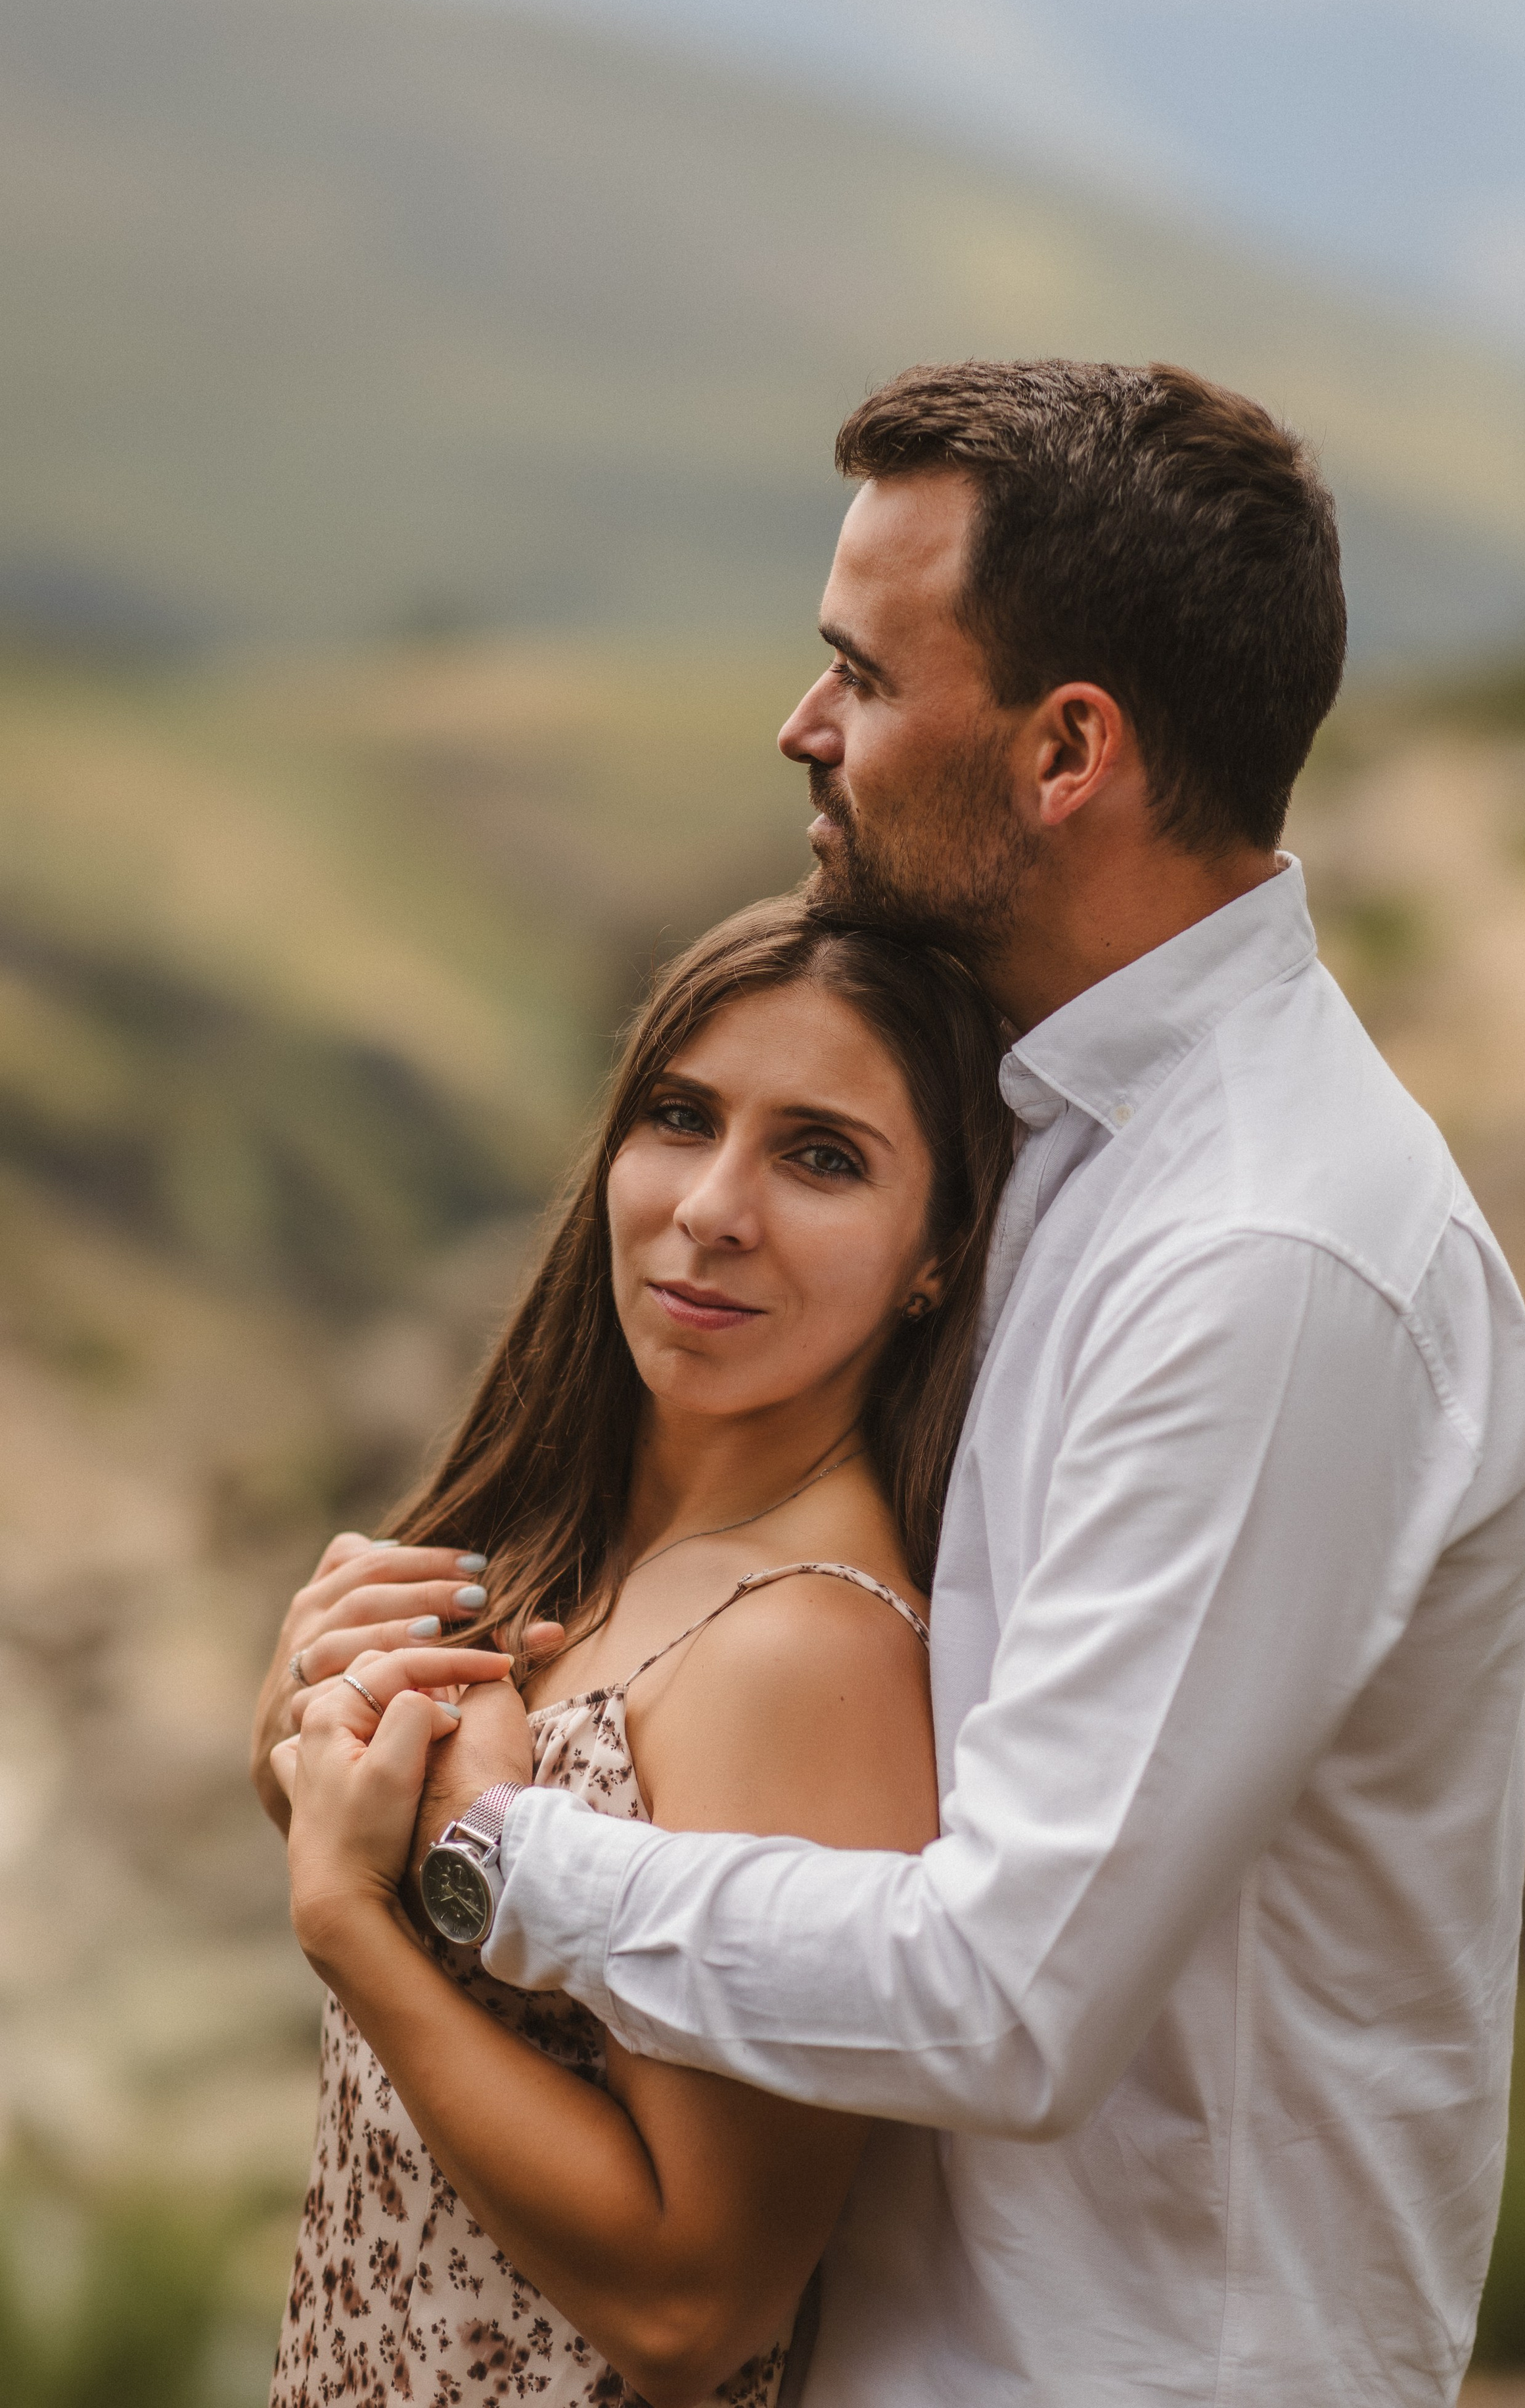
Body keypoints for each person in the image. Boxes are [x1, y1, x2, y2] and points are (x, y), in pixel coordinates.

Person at [362, 360, 1525, 2407]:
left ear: (1067, 750)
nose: (800, 728)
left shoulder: (1269, 1258)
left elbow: (1012, 1990)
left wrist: (491, 1862)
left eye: (863, 675)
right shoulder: (1045, 1133)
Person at [254, 899, 1016, 2407]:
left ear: (936, 1257)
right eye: (681, 1117)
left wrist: (345, 1914)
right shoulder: (562, 1541)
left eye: (821, 1156)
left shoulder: (797, 1648)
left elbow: (693, 2305)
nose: (712, 1207)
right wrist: (295, 1751)